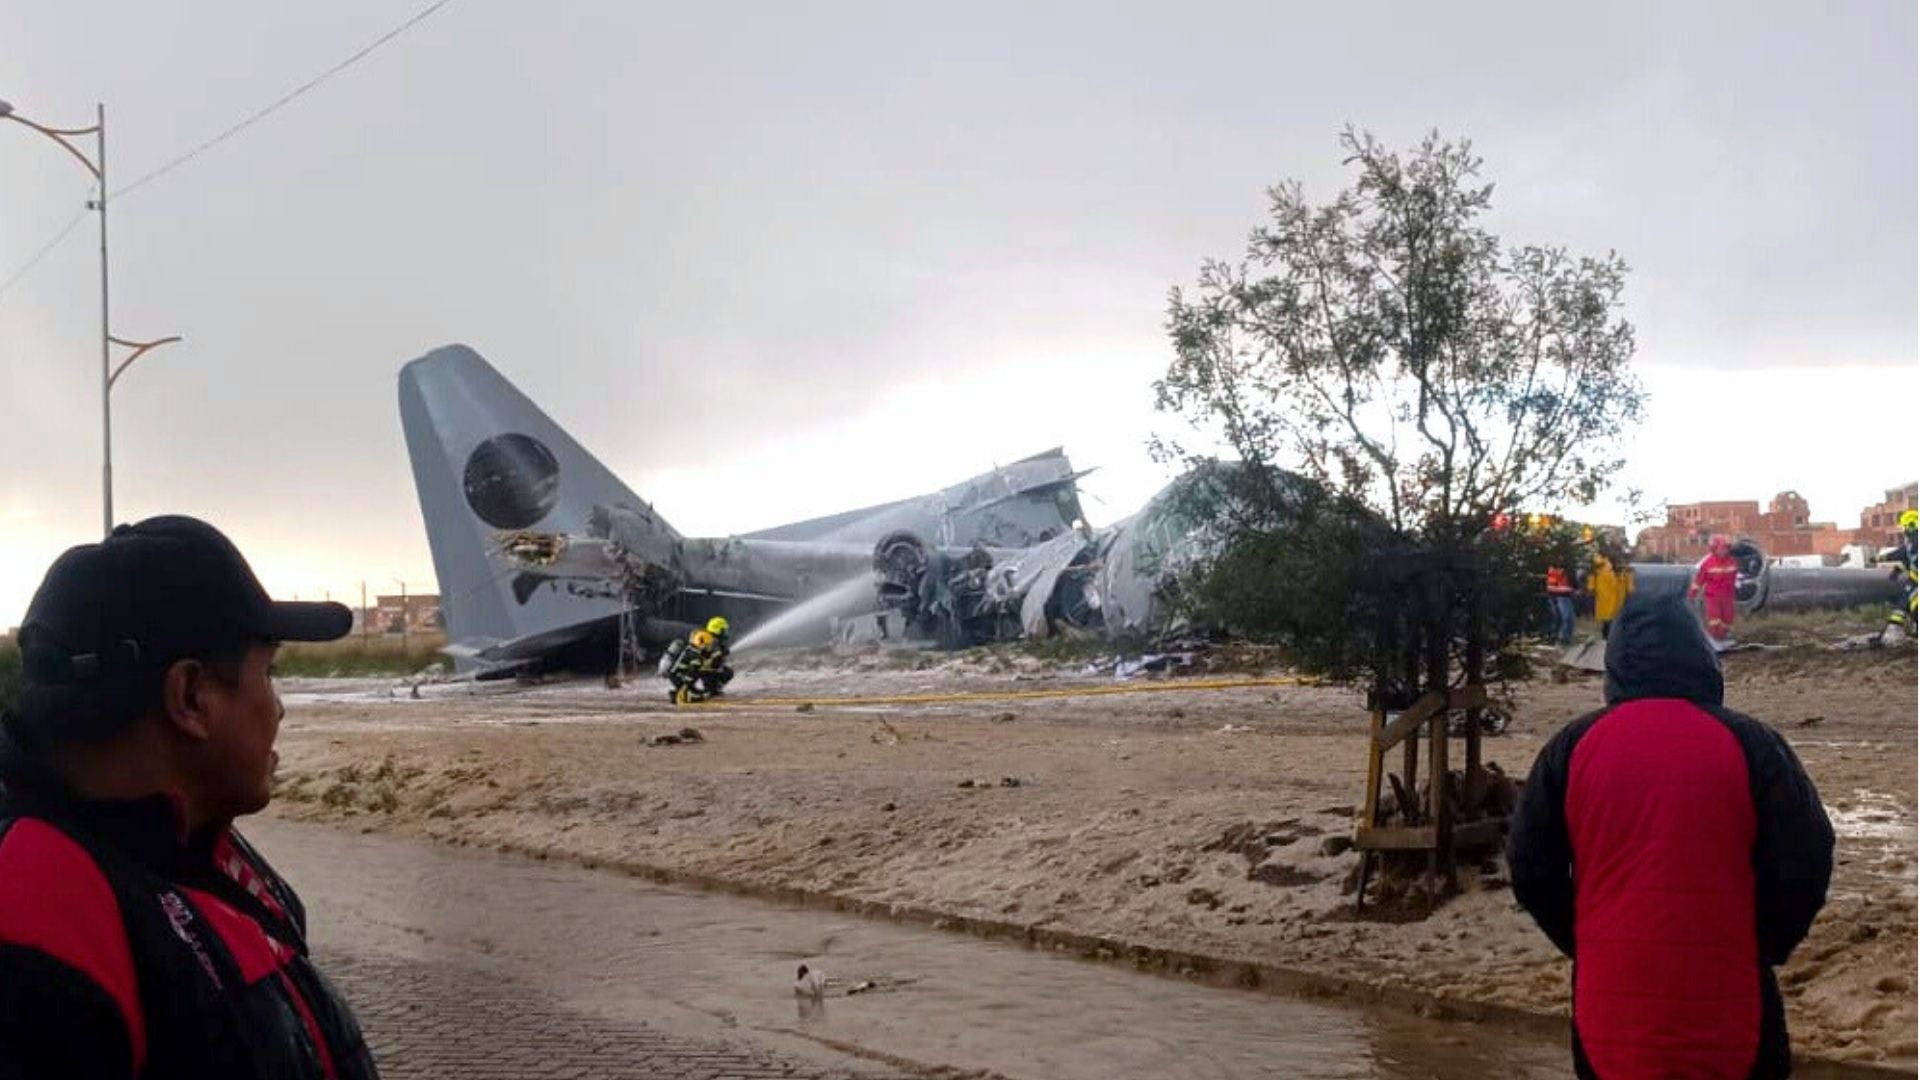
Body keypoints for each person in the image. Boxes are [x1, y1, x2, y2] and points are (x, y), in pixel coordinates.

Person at [0, 516, 379, 1078]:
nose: (277, 709)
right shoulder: (33, 914)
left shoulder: (194, 844)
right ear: (191, 697)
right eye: (268, 674)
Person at [1509, 592, 1833, 1079]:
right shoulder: (1752, 743)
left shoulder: (1571, 748)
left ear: (1615, 661)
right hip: (1731, 997)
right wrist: (1764, 943)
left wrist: (1586, 938)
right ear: (1700, 652)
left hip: (1610, 1004)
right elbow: (1806, 857)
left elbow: (1531, 866)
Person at [663, 617, 734, 704]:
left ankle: (711, 689)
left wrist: (720, 654)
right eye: (724, 630)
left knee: (725, 672)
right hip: (681, 676)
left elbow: (709, 660)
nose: (709, 646)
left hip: (692, 672)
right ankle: (680, 693)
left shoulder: (710, 641)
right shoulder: (699, 647)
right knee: (699, 696)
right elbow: (701, 662)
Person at [1689, 533, 1741, 643]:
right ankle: (1715, 640)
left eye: (1726, 548)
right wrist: (1691, 595)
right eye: (1722, 548)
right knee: (1715, 621)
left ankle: (1725, 639)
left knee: (1728, 620)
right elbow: (1698, 580)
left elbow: (1737, 577)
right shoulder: (1708, 563)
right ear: (1714, 549)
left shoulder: (1732, 561)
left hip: (1728, 596)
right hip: (1713, 597)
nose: (1724, 551)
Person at [1881, 509, 1918, 644]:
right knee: (1912, 605)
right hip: (1914, 580)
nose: (1904, 531)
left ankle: (1896, 628)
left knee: (1907, 603)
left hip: (1915, 581)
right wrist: (1897, 570)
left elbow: (1900, 554)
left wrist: (1878, 559)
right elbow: (1908, 560)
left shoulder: (1914, 541)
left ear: (1912, 525)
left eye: (1905, 527)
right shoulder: (1913, 542)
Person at [1587, 545, 1635, 639]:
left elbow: (1591, 582)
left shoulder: (1602, 566)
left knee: (1609, 620)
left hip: (1608, 597)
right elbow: (1630, 585)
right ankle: (1609, 636)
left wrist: (1591, 588)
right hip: (1612, 597)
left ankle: (1607, 637)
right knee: (1612, 619)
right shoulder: (1620, 568)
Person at [1545, 563, 1577, 645]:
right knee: (1565, 618)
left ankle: (1565, 638)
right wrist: (1569, 589)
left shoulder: (1564, 571)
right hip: (1560, 597)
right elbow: (1550, 588)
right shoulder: (1553, 571)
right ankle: (1562, 638)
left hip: (1566, 597)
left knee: (1569, 619)